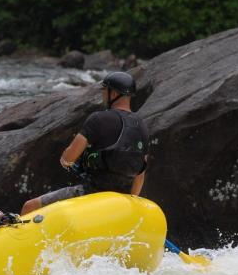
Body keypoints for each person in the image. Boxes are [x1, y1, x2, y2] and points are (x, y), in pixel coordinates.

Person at [20, 71, 149, 215]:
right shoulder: (142, 126)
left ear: (113, 94)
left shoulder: (98, 119)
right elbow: (140, 172)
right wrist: (131, 201)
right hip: (122, 198)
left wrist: (65, 160)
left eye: (104, 91)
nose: (103, 95)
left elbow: (68, 158)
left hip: (91, 192)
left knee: (30, 206)